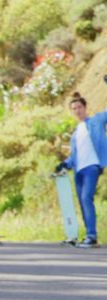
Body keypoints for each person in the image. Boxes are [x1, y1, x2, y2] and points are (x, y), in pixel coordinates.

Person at [54, 91, 105, 247]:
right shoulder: (76, 133)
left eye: (79, 107)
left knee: (86, 198)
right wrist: (65, 164)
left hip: (92, 167)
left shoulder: (96, 121)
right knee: (83, 202)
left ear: (85, 107)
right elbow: (74, 157)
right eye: (74, 108)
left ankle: (92, 236)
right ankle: (88, 235)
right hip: (79, 171)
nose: (77, 110)